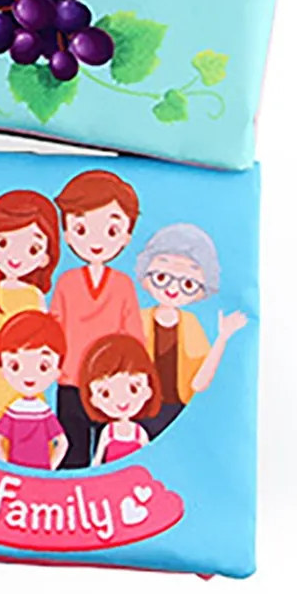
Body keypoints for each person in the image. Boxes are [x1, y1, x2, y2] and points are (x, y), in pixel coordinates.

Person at [49, 170, 145, 469]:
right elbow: (54, 328)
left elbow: (134, 336)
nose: (96, 240)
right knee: (73, 450)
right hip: (71, 380)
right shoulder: (66, 282)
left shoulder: (123, 285)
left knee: (111, 451)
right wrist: (54, 366)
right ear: (67, 233)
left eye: (111, 230)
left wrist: (133, 376)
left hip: (111, 382)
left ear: (126, 236)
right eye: (81, 228)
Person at [135, 223, 248, 437]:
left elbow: (200, 381)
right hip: (138, 408)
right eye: (162, 277)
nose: (172, 288)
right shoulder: (138, 320)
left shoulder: (191, 325)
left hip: (179, 410)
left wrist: (223, 337)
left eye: (187, 284)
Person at [0, 189, 60, 424]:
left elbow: (48, 337)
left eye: (32, 249)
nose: (16, 256)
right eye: (4, 242)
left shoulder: (34, 295)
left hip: (27, 370)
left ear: (45, 258)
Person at [0, 311, 69, 470]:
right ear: (2, 370)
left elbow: (62, 443)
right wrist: (7, 465)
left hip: (39, 472)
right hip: (18, 471)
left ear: (57, 371)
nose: (29, 374)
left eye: (43, 366)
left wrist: (50, 467)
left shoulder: (43, 411)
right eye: (15, 366)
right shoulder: (14, 410)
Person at [79, 335, 162, 464]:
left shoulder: (139, 433)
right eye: (105, 393)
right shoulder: (108, 432)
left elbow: (148, 458)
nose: (122, 400)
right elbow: (97, 460)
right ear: (94, 400)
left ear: (148, 391)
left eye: (133, 388)